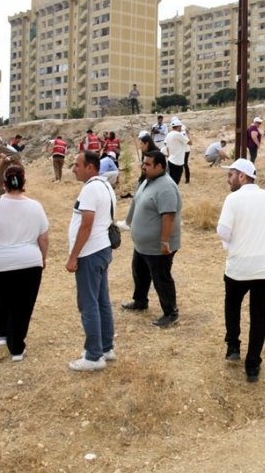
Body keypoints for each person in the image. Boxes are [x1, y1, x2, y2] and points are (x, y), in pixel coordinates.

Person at [217, 158, 265, 383]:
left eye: (230, 175)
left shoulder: (233, 199)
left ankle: (233, 347)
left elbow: (223, 231)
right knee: (259, 317)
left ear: (242, 176)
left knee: (233, 305)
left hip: (239, 268)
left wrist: (232, 243)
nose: (228, 180)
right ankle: (252, 365)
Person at [0, 165, 48, 362]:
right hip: (28, 263)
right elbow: (43, 239)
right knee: (22, 305)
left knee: (1, 296)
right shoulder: (35, 206)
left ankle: (2, 335)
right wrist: (43, 259)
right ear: (24, 183)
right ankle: (16, 347)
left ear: (3, 184)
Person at [66, 151, 119, 371]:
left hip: (89, 253)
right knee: (101, 301)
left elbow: (86, 225)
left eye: (77, 165)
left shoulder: (90, 188)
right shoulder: (105, 186)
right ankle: (106, 347)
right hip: (101, 249)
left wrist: (73, 256)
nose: (73, 168)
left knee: (89, 304)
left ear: (90, 167)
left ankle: (94, 356)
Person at [121, 151, 182, 327]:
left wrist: (164, 242)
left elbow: (168, 217)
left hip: (158, 246)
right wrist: (127, 223)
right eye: (143, 163)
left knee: (161, 278)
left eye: (148, 164)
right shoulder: (147, 181)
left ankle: (170, 313)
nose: (143, 166)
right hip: (142, 245)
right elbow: (136, 203)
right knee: (139, 272)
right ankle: (140, 301)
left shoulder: (166, 187)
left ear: (160, 166)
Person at [164, 118, 189, 185]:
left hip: (170, 160)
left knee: (170, 181)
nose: (181, 128)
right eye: (180, 126)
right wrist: (187, 134)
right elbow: (190, 142)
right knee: (175, 183)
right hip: (178, 162)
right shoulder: (178, 134)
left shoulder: (169, 134)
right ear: (178, 126)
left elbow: (166, 144)